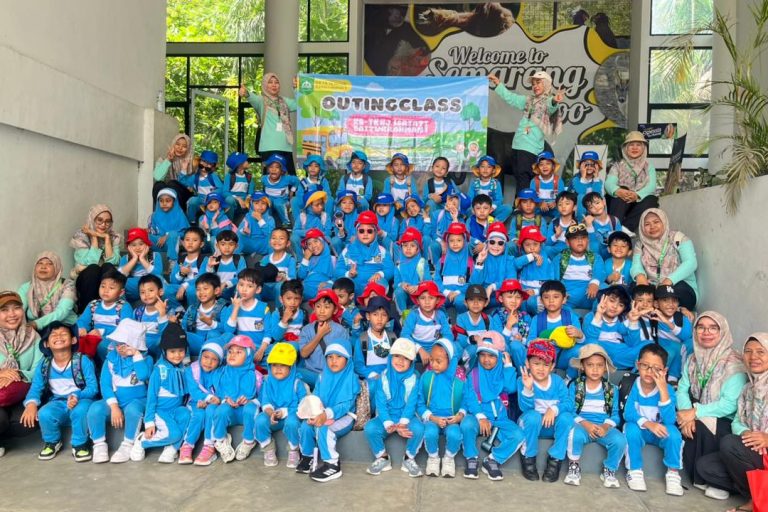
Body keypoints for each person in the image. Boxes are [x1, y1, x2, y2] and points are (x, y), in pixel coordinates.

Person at [676, 312, 747, 497]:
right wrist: (686, 414)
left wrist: (695, 412)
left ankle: (720, 483)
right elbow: (682, 389)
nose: (706, 332)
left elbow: (730, 404)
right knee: (684, 421)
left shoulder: (734, 363)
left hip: (726, 421)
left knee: (702, 423)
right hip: (699, 411)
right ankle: (700, 477)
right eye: (701, 327)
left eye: (713, 328)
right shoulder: (693, 359)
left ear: (722, 331)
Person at [697, 333, 768, 512]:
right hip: (755, 450)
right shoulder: (748, 389)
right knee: (705, 467)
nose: (753, 357)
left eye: (761, 352)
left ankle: (756, 500)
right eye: (748, 351)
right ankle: (759, 492)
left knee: (729, 443)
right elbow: (737, 421)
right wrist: (746, 433)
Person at [20, 322, 98, 461]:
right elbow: (36, 387)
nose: (58, 337)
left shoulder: (82, 361)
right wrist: (31, 404)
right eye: (53, 335)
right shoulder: (44, 365)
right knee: (44, 413)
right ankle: (52, 442)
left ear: (73, 340)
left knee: (80, 411)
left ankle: (80, 444)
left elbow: (93, 388)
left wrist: (77, 395)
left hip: (81, 399)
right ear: (46, 344)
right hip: (58, 402)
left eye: (63, 334)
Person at [87, 319, 153, 464]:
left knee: (133, 410)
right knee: (95, 408)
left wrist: (136, 354)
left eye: (126, 344)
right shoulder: (111, 359)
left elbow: (143, 376)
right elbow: (105, 384)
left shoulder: (146, 359)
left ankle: (127, 444)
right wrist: (114, 406)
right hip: (116, 400)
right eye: (118, 343)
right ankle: (99, 444)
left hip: (138, 400)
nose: (121, 348)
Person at [488, 71, 565, 195]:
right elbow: (511, 98)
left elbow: (551, 106)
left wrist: (555, 101)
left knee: (524, 180)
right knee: (520, 179)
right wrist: (498, 84)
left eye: (538, 83)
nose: (535, 86)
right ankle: (520, 203)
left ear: (546, 84)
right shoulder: (528, 100)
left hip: (530, 148)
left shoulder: (547, 101)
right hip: (517, 146)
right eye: (533, 84)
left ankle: (523, 204)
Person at [623, 344, 684, 496]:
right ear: (638, 365)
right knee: (630, 429)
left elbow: (669, 420)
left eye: (656, 368)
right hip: (641, 429)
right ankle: (634, 470)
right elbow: (628, 413)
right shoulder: (632, 385)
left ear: (664, 371)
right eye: (645, 366)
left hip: (660, 431)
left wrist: (663, 390)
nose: (650, 371)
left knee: (674, 434)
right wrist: (648, 424)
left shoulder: (668, 390)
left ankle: (673, 472)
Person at [460, 340, 524, 481]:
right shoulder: (474, 374)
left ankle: (492, 459)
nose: (486, 359)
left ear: (498, 357)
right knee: (467, 424)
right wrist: (481, 417)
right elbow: (470, 398)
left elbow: (511, 388)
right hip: (478, 416)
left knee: (518, 435)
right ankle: (471, 458)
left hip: (500, 419)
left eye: (491, 356)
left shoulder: (502, 372)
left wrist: (508, 366)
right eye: (482, 355)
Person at [297, 340, 360, 482]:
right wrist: (313, 414)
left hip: (344, 416)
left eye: (339, 357)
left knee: (324, 429)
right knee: (306, 426)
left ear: (347, 359)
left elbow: (346, 405)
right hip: (322, 413)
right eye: (330, 357)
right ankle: (308, 457)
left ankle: (332, 464)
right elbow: (316, 397)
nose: (334, 361)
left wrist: (326, 415)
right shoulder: (322, 376)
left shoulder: (351, 378)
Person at [564, 344, 626, 488]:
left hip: (603, 427)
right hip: (582, 425)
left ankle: (609, 469)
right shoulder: (576, 386)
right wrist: (585, 424)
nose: (595, 369)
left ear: (605, 367)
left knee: (620, 440)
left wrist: (605, 426)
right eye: (590, 365)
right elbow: (570, 411)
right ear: (582, 367)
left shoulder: (611, 389)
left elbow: (616, 415)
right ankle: (574, 466)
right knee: (574, 435)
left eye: (599, 365)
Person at [364, 338, 425, 477]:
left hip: (407, 416)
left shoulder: (414, 378)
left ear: (412, 362)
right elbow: (381, 403)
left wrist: (403, 423)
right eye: (397, 356)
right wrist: (388, 423)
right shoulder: (383, 377)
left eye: (406, 358)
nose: (400, 361)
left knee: (419, 429)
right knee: (370, 428)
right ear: (391, 357)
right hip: (387, 416)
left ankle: (409, 458)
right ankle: (383, 457)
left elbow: (411, 404)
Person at [132, 323, 191, 464]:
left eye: (181, 351)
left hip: (176, 409)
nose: (177, 355)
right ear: (164, 351)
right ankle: (143, 441)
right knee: (174, 434)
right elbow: (151, 397)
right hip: (160, 411)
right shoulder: (159, 370)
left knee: (186, 414)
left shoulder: (183, 368)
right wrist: (149, 422)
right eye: (172, 351)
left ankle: (171, 448)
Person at [518, 339, 574, 482]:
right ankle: (528, 457)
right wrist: (528, 389)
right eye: (536, 363)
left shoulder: (557, 381)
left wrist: (553, 409)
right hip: (531, 426)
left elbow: (568, 403)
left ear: (552, 366)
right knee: (533, 416)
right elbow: (524, 408)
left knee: (567, 418)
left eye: (546, 364)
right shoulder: (523, 380)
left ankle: (555, 460)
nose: (541, 368)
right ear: (527, 363)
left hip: (551, 426)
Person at [417, 337, 471, 478]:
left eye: (438, 361)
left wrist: (460, 416)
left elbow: (466, 400)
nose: (433, 364)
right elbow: (419, 402)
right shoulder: (427, 376)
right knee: (430, 432)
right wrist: (432, 417)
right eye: (431, 360)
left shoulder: (460, 378)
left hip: (452, 420)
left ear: (450, 360)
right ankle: (433, 458)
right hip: (432, 419)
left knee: (454, 434)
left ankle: (448, 458)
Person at [0, 291, 44, 456]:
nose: (12, 314)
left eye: (16, 308)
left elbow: (40, 369)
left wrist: (18, 374)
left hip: (21, 393)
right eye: (4, 310)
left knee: (26, 423)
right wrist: (1, 373)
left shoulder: (33, 336)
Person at [631, 208, 699, 311]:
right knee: (633, 289)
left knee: (676, 293)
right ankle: (651, 309)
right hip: (654, 285)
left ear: (664, 221)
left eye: (656, 222)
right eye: (647, 224)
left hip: (678, 285)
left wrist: (669, 280)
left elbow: (691, 263)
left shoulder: (678, 238)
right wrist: (640, 277)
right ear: (642, 227)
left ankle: (675, 311)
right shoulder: (640, 245)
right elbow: (636, 265)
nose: (652, 227)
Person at [212, 335, 263, 463]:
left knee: (251, 408)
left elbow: (263, 397)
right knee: (221, 410)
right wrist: (225, 400)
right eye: (230, 351)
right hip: (230, 413)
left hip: (246, 414)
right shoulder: (221, 373)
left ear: (249, 355)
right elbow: (218, 394)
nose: (232, 355)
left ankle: (249, 441)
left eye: (239, 352)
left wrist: (250, 401)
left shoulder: (256, 376)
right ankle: (221, 440)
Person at [255, 342, 306, 468]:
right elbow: (265, 402)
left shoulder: (297, 383)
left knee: (292, 423)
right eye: (274, 365)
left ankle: (294, 449)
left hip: (291, 416)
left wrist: (284, 412)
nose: (278, 369)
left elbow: (303, 406)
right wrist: (270, 412)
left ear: (291, 367)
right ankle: (268, 448)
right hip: (273, 417)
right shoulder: (268, 382)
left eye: (283, 365)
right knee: (260, 420)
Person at [240, 73, 297, 174]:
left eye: (276, 82)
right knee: (270, 178)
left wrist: (296, 89)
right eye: (270, 82)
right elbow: (250, 96)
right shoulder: (261, 100)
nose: (274, 85)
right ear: (265, 85)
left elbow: (299, 105)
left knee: (291, 178)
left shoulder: (284, 101)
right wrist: (245, 93)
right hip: (268, 147)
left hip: (285, 146)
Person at [70, 204, 122, 312]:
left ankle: (109, 310)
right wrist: (94, 237)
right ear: (92, 219)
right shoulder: (81, 236)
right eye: (99, 220)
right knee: (93, 269)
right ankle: (87, 312)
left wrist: (107, 239)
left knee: (108, 266)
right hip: (86, 279)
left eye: (108, 221)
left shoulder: (113, 236)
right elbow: (90, 262)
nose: (103, 225)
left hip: (105, 279)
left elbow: (114, 262)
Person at [604, 131, 659, 233]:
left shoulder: (649, 167)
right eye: (631, 145)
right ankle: (614, 228)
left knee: (651, 199)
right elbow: (609, 184)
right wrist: (619, 191)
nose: (635, 148)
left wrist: (637, 195)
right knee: (623, 189)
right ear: (625, 148)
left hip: (637, 204)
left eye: (638, 145)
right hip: (619, 203)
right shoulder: (617, 166)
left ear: (643, 148)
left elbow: (651, 186)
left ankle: (626, 228)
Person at [75, 269, 133, 361]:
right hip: (94, 337)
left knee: (102, 345)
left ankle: (106, 366)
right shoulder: (93, 305)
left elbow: (125, 329)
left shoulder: (124, 307)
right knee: (77, 342)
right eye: (103, 286)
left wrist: (102, 332)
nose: (105, 291)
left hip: (114, 340)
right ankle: (85, 365)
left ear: (121, 292)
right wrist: (82, 328)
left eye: (111, 288)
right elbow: (82, 320)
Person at [180, 342, 223, 466]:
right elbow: (194, 391)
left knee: (211, 411)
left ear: (219, 362)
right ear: (200, 356)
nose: (208, 362)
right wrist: (207, 398)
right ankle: (187, 445)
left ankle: (209, 446)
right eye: (206, 357)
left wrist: (213, 400)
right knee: (198, 415)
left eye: (214, 359)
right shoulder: (191, 370)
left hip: (214, 403)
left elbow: (222, 390)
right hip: (196, 401)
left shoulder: (221, 372)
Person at [297, 289, 348, 387]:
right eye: (318, 306)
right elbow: (304, 354)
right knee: (294, 372)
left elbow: (344, 359)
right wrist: (319, 335)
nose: (321, 311)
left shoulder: (341, 331)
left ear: (335, 310)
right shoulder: (306, 329)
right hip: (311, 373)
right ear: (314, 308)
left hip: (331, 374)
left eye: (327, 307)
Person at [18, 252, 77, 332]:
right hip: (35, 330)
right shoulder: (26, 287)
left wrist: (37, 324)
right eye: (40, 263)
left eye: (49, 264)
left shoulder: (67, 285)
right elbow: (19, 310)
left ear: (57, 267)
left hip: (65, 327)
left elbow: (62, 312)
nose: (43, 267)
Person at [118, 227, 163, 303]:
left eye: (141, 244)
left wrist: (142, 259)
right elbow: (119, 276)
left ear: (147, 245)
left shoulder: (156, 255)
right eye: (133, 245)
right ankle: (124, 306)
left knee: (160, 280)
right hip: (133, 290)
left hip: (151, 288)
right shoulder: (125, 258)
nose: (138, 248)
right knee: (121, 282)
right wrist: (134, 259)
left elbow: (158, 273)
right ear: (129, 247)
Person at [152, 133, 194, 209]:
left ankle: (177, 212)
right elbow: (157, 177)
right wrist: (168, 160)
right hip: (166, 194)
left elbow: (192, 187)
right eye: (177, 144)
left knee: (173, 184)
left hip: (184, 196)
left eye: (184, 146)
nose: (180, 148)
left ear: (188, 149)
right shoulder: (162, 159)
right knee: (158, 185)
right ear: (173, 144)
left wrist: (184, 169)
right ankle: (161, 212)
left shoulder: (191, 163)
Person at [148, 188, 189, 261]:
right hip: (159, 243)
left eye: (168, 201)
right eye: (161, 201)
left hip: (175, 242)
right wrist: (158, 237)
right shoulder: (154, 216)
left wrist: (167, 236)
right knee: (143, 236)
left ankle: (172, 261)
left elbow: (185, 233)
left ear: (174, 202)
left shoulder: (179, 214)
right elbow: (153, 233)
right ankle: (147, 259)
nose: (164, 203)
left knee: (173, 235)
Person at [468, 156, 510, 223]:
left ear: (493, 170)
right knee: (467, 209)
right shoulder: (474, 183)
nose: (485, 169)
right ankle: (474, 223)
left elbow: (499, 199)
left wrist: (492, 207)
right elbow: (470, 198)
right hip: (478, 208)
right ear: (478, 169)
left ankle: (494, 224)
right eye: (482, 166)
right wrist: (475, 208)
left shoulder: (496, 183)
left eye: (489, 167)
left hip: (491, 209)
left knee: (507, 208)